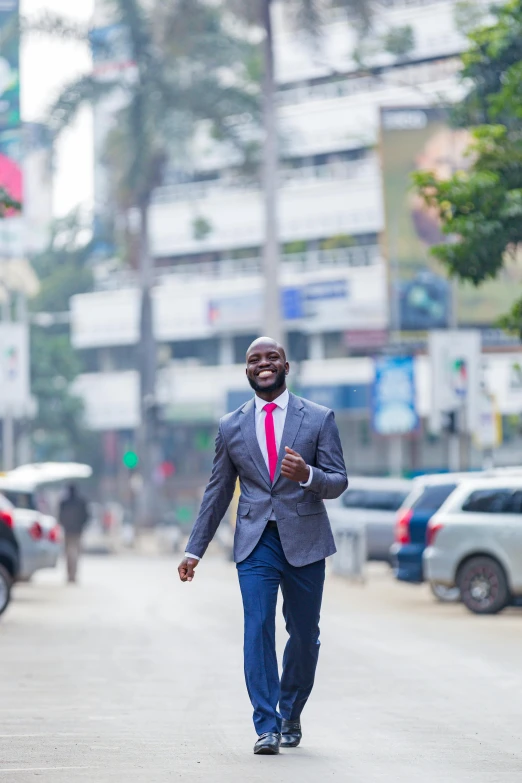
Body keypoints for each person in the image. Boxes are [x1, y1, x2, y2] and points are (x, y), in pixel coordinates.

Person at [178, 337, 348, 755]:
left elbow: (338, 479)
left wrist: (307, 474)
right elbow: (217, 491)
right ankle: (266, 725)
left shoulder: (318, 418)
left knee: (304, 634)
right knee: (256, 628)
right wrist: (194, 550)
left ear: (286, 366)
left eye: (272, 357)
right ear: (247, 371)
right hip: (255, 542)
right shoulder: (230, 426)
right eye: (254, 359)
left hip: (306, 540)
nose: (263, 363)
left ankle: (290, 709)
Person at [59, 484, 89, 584]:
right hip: (77, 531)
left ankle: (70, 574)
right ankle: (72, 574)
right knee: (75, 554)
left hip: (69, 530)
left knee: (69, 554)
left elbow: (60, 516)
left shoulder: (64, 502)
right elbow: (86, 516)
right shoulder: (81, 502)